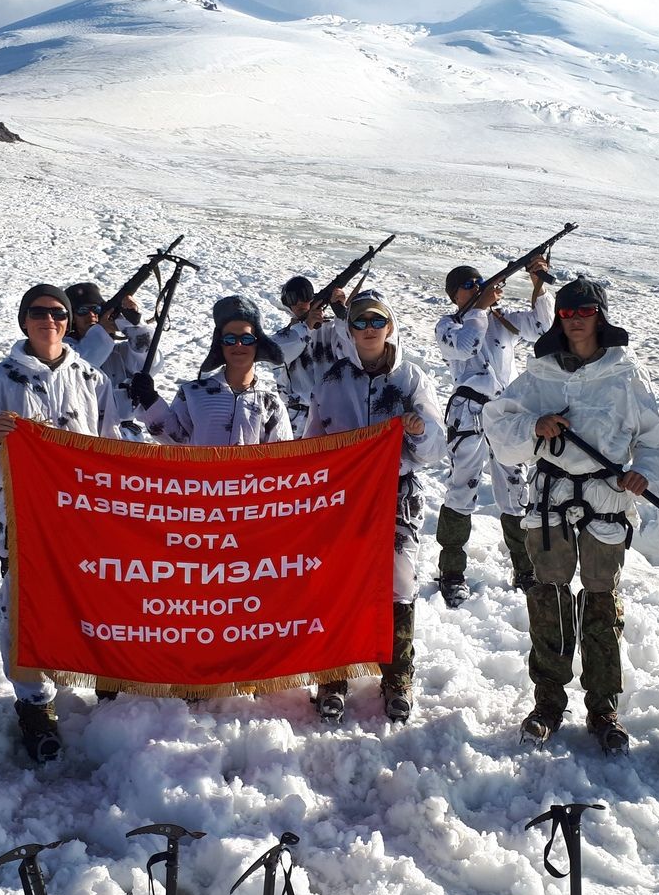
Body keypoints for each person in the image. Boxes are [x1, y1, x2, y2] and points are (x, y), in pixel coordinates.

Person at [482, 277, 659, 754]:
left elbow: (654, 440)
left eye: (585, 311)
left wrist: (642, 473)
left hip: (607, 501)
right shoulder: (540, 373)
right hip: (551, 501)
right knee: (548, 598)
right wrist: (534, 425)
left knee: (602, 600)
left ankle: (603, 707)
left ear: (600, 315)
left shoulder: (626, 374)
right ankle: (547, 702)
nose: (576, 320)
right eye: (566, 312)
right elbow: (498, 421)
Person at [0, 284, 120, 762]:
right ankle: (33, 704)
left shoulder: (93, 380)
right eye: (38, 312)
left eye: (58, 313)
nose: (49, 320)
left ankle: (103, 678)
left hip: (83, 523)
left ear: (69, 322)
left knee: (92, 602)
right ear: (23, 320)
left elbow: (115, 446)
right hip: (20, 523)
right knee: (22, 612)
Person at [303, 288, 446, 724]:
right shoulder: (332, 380)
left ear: (390, 326)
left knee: (398, 585)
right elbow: (313, 439)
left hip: (395, 496)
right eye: (360, 322)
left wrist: (418, 431)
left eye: (376, 321)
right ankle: (332, 676)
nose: (369, 329)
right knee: (338, 582)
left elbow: (436, 448)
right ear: (349, 330)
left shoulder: (412, 380)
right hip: (343, 499)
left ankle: (397, 677)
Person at [434, 258, 553, 604]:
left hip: (504, 414)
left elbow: (541, 328)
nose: (476, 289)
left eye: (479, 284)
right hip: (468, 412)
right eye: (468, 286)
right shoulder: (449, 325)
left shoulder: (501, 320)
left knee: (516, 491)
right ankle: (452, 570)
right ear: (454, 295)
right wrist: (480, 309)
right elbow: (467, 345)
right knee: (462, 488)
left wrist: (537, 285)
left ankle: (525, 569)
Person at [129, 295, 292, 445]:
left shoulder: (271, 404)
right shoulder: (193, 393)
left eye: (246, 338)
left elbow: (282, 460)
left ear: (258, 344)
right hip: (202, 477)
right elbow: (176, 440)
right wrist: (150, 400)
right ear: (219, 345)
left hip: (250, 477)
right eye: (229, 339)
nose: (238, 344)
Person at [64, 281, 156, 442]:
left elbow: (149, 362)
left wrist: (132, 323)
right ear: (72, 318)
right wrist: (103, 331)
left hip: (126, 437)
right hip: (82, 435)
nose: (91, 315)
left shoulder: (118, 352)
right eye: (83, 311)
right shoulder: (65, 349)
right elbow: (81, 366)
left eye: (97, 309)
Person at [270, 277, 346, 438]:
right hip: (298, 420)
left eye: (304, 296)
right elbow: (276, 356)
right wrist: (306, 328)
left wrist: (342, 312)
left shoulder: (333, 329)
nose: (298, 303)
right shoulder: (282, 338)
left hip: (334, 415)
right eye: (292, 298)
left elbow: (355, 348)